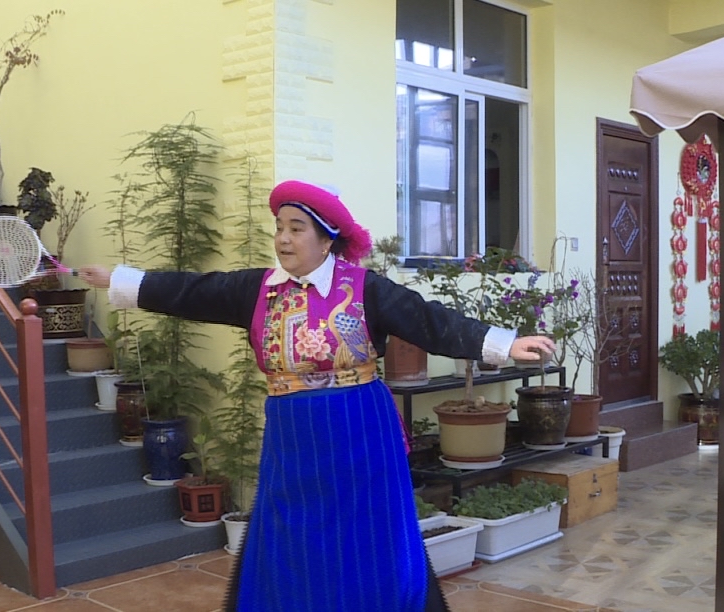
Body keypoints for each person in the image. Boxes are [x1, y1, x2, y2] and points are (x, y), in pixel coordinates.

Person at [77, 180, 556, 612]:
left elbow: (429, 321)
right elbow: (193, 291)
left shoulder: (365, 289)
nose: (283, 239)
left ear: (326, 239)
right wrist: (120, 280)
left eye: (296, 228)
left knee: (366, 532)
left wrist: (505, 343)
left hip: (359, 429)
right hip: (293, 436)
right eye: (279, 228)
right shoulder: (257, 290)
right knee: (293, 529)